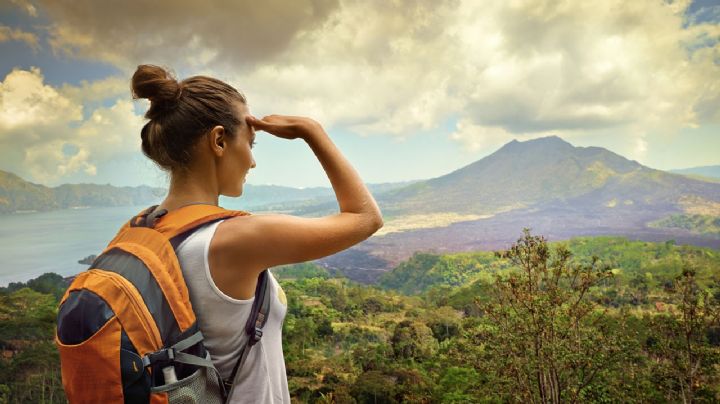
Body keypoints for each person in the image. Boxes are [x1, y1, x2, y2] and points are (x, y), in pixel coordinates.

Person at [130, 64, 384, 403]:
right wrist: (311, 130)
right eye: (251, 143)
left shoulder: (143, 228)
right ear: (219, 140)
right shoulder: (234, 238)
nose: (252, 162)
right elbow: (365, 217)